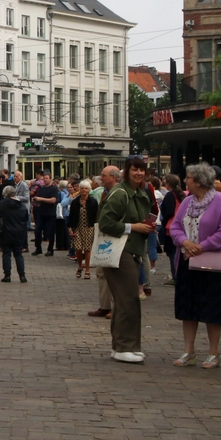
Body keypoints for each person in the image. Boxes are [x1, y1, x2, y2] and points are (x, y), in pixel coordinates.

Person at [169, 162, 221, 368]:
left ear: (198, 180)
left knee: (212, 307)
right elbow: (176, 226)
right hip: (187, 261)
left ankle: (213, 352)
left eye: (188, 177)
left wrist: (201, 247)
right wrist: (185, 243)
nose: (185, 180)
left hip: (213, 264)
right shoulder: (188, 201)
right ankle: (189, 350)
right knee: (187, 307)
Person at [98, 156, 155, 364]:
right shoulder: (120, 193)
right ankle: (124, 346)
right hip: (121, 251)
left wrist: (146, 227)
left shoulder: (140, 193)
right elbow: (105, 223)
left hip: (132, 250)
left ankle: (123, 346)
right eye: (135, 170)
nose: (139, 173)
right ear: (126, 171)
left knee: (126, 300)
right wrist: (134, 227)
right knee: (128, 299)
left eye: (141, 170)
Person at [88, 166, 120, 320]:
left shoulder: (119, 193)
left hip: (113, 237)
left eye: (104, 175)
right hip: (102, 235)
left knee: (113, 275)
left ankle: (115, 308)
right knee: (101, 273)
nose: (101, 178)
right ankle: (104, 305)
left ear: (113, 177)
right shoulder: (105, 192)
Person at [0, 185, 29, 282]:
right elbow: (25, 218)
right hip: (19, 233)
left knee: (6, 254)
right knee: (18, 254)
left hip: (5, 232)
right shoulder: (21, 206)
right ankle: (22, 275)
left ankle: (7, 275)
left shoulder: (2, 204)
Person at [67, 180, 100, 280]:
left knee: (87, 249)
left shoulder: (93, 201)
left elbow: (96, 216)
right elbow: (71, 216)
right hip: (78, 227)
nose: (84, 190)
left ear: (89, 190)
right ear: (79, 189)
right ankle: (80, 266)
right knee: (78, 248)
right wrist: (70, 228)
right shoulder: (75, 202)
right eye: (82, 188)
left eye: (86, 188)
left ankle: (87, 270)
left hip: (89, 228)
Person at [160, 174, 185, 286]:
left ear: (168, 183)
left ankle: (175, 276)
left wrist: (164, 222)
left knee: (172, 253)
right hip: (181, 226)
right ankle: (178, 275)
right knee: (177, 252)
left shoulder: (170, 195)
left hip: (171, 227)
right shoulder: (181, 194)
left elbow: (169, 211)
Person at [31, 173, 59, 256]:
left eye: (47, 178)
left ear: (50, 179)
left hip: (50, 213)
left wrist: (41, 199)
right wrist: (36, 199)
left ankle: (50, 249)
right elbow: (39, 197)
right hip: (41, 212)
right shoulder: (42, 188)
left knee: (50, 233)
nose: (45, 180)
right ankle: (38, 248)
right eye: (44, 179)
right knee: (37, 231)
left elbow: (53, 200)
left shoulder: (54, 189)